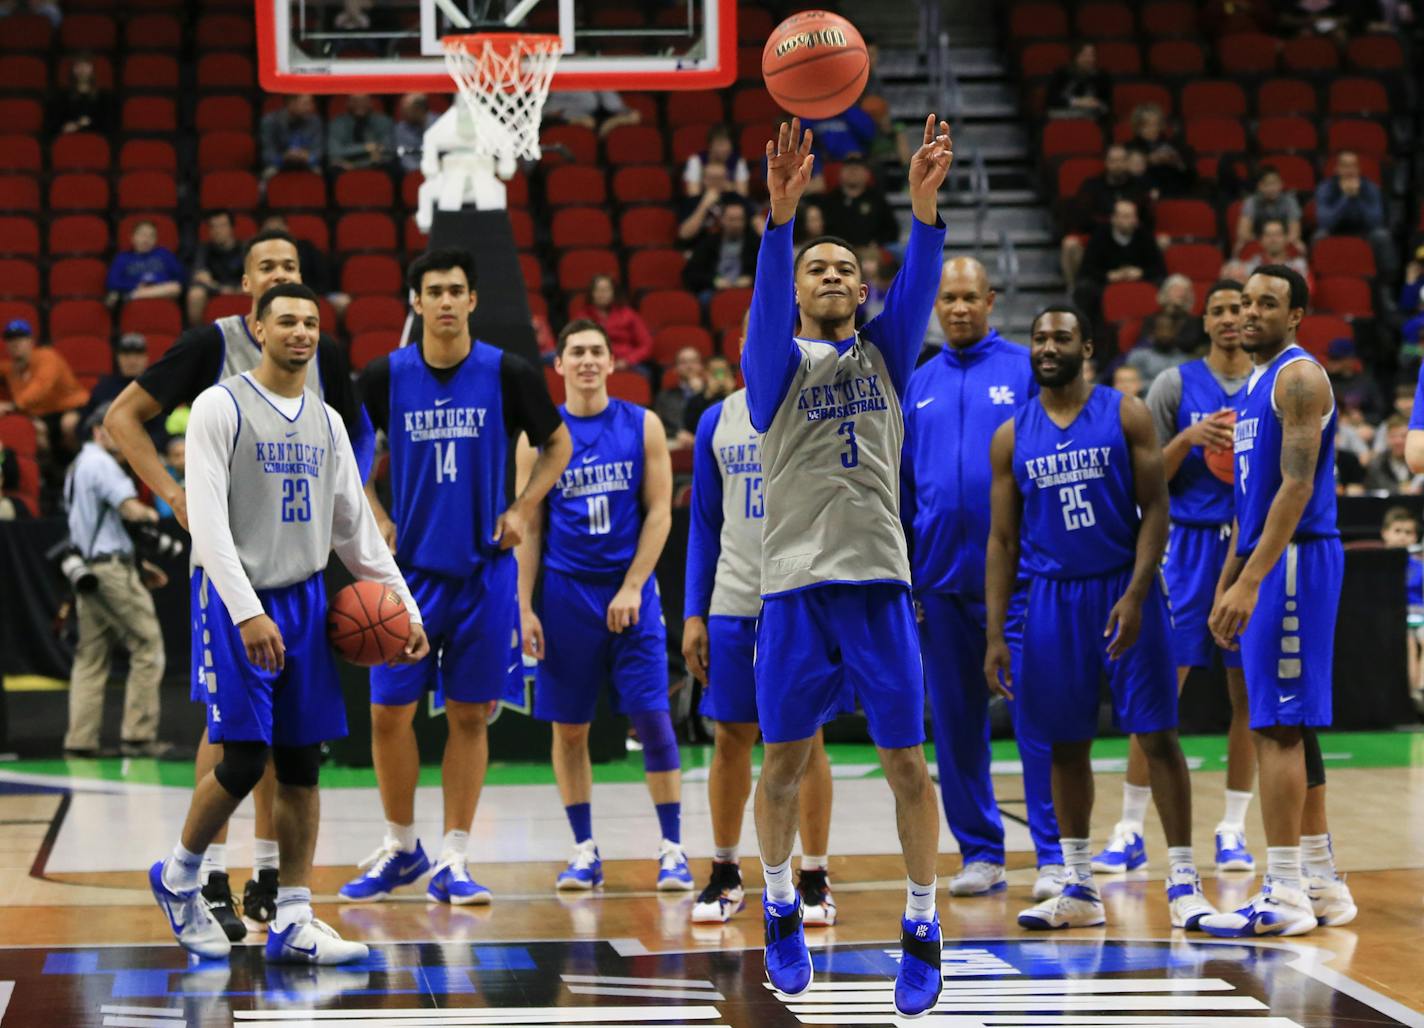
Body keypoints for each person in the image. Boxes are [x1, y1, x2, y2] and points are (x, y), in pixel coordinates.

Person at [105, 227, 373, 939]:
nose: (281, 275)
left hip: (303, 567)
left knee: (294, 751)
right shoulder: (208, 348)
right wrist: (173, 493)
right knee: (232, 738)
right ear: (248, 293)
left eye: (292, 267)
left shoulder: (322, 356)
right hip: (231, 575)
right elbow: (121, 418)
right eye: (267, 269)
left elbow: (356, 437)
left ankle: (272, 886)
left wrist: (354, 511)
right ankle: (207, 875)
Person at [147, 283, 426, 963]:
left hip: (303, 602)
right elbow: (207, 522)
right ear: (258, 327)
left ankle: (295, 918)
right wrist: (245, 612)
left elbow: (355, 532)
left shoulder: (328, 421)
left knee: (302, 765)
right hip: (235, 595)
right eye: (287, 321)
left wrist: (404, 608)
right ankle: (179, 875)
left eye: (310, 322)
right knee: (243, 758)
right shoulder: (221, 406)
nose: (300, 332)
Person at [744, 115, 949, 1017]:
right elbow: (761, 311)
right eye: (814, 268)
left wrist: (925, 210)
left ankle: (921, 919)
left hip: (877, 587)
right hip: (792, 591)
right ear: (795, 292)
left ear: (863, 292)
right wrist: (779, 218)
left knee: (909, 766)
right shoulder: (772, 366)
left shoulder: (888, 354)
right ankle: (782, 904)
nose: (831, 276)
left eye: (844, 269)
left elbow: (921, 282)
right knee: (781, 762)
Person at [341, 249, 572, 904]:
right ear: (415, 304)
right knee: (390, 714)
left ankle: (455, 856)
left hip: (483, 572)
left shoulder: (509, 373)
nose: (445, 301)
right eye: (433, 291)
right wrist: (376, 513)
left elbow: (557, 443)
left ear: (473, 301)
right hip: (406, 577)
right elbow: (347, 457)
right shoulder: (383, 376)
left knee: (471, 715)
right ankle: (400, 846)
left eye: (456, 291)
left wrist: (525, 507)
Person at [985, 305, 1215, 932]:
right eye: (1038, 337)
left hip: (1120, 589)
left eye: (1061, 336)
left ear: (1087, 346)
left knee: (1158, 734)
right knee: (1064, 743)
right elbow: (1002, 543)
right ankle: (1079, 885)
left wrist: (1138, 593)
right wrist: (996, 636)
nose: (1047, 346)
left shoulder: (1125, 412)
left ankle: (1185, 882)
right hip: (1050, 599)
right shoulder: (1011, 435)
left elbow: (1157, 509)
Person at [902, 257, 1065, 902]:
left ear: (991, 300)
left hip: (1021, 581)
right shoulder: (917, 383)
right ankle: (981, 852)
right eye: (948, 299)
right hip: (940, 583)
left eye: (970, 297)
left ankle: (1055, 851)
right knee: (956, 723)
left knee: (1040, 717)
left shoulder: (1025, 371)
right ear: (935, 306)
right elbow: (906, 486)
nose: (959, 308)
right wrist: (911, 578)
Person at [1202, 265, 1355, 937]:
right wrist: (1226, 576)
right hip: (1270, 558)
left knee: (1278, 726)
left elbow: (1294, 491)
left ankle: (1286, 889)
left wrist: (1251, 579)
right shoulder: (1257, 383)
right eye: (1242, 303)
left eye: (1268, 304)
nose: (1248, 313)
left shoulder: (1298, 376)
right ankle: (1323, 883)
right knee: (1286, 720)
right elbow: (1252, 499)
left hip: (1295, 559)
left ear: (1295, 316)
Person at [515, 320, 685, 892]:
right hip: (566, 594)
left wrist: (634, 586)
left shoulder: (643, 425)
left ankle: (672, 848)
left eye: (597, 352)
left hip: (628, 587)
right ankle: (584, 850)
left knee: (653, 720)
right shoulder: (538, 439)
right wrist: (524, 607)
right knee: (569, 730)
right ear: (558, 366)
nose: (587, 361)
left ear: (614, 363)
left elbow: (659, 513)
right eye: (576, 353)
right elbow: (529, 529)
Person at [1097, 280, 1259, 876]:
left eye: (1238, 308)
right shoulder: (1174, 384)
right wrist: (1189, 440)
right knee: (1160, 691)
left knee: (1249, 697)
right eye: (1218, 309)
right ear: (1205, 319)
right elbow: (1145, 481)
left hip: (1247, 551)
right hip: (1186, 547)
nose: (1229, 318)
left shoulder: (1271, 383)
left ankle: (1233, 828)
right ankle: (1129, 828)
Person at [683, 385, 839, 926]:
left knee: (806, 737)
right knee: (730, 738)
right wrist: (693, 613)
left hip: (801, 597)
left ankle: (814, 877)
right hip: (733, 600)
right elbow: (704, 522)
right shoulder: (716, 419)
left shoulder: (818, 402)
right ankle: (725, 872)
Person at [62, 403, 167, 758]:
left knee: (90, 657)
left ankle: (80, 740)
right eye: (118, 432)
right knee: (148, 647)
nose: (124, 440)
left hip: (89, 568)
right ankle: (138, 737)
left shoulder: (77, 467)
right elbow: (129, 510)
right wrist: (159, 510)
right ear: (98, 432)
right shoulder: (104, 465)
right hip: (110, 571)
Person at [1073, 199, 1166, 345]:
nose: (1130, 221)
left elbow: (1159, 268)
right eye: (1125, 216)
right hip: (1105, 282)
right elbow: (1087, 269)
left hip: (1139, 281)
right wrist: (1108, 275)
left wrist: (1141, 273)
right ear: (1114, 219)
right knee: (1085, 289)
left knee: (1162, 285)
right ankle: (1089, 339)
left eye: (1132, 216)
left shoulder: (1144, 235)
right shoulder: (1100, 235)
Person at [1061, 144, 1153, 290]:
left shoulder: (1138, 186)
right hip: (1097, 236)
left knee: (1159, 242)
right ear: (1106, 162)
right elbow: (1081, 218)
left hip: (1131, 235)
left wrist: (1127, 225)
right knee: (1070, 244)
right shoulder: (1092, 186)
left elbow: (1147, 218)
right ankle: (1076, 290)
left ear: (1127, 162)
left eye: (1121, 160)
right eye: (1113, 160)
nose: (1117, 165)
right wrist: (1111, 224)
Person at [1, 319, 89, 454]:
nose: (15, 343)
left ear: (31, 341)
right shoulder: (10, 368)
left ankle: (81, 461)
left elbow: (41, 387)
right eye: (11, 339)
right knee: (30, 429)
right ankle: (49, 469)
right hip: (42, 415)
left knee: (69, 424)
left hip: (71, 407)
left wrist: (11, 406)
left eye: (20, 338)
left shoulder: (46, 356)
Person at [1314, 150, 1397, 283]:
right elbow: (1325, 222)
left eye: (1353, 166)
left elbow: (1376, 221)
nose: (1349, 170)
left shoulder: (1371, 188)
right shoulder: (1326, 188)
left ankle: (1385, 286)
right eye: (1345, 166)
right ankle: (1317, 282)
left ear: (1358, 169)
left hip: (1365, 230)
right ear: (1337, 169)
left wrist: (1357, 197)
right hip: (1334, 231)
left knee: (1382, 236)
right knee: (1319, 236)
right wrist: (1346, 198)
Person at [1380, 507, 1424, 713]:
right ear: (1385, 533)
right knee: (1407, 643)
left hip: (1420, 618)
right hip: (1393, 620)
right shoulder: (1375, 567)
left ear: (1415, 536)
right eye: (1398, 531)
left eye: (1408, 533)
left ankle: (1421, 690)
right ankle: (1411, 694)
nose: (1403, 537)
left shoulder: (1420, 565)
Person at [819, 155, 901, 250]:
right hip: (836, 250)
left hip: (870, 251)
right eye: (849, 169)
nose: (852, 172)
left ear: (867, 174)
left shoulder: (877, 200)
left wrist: (877, 243)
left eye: (857, 169)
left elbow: (892, 230)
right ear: (840, 174)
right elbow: (821, 230)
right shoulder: (829, 201)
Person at [684, 202, 758, 301]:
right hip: (714, 290)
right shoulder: (709, 242)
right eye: (731, 219)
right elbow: (691, 273)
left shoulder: (755, 243)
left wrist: (751, 279)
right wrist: (714, 281)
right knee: (704, 299)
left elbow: (768, 272)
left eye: (739, 219)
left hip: (747, 289)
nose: (736, 224)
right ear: (722, 220)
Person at [105, 220, 185, 311]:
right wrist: (135, 285)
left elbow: (180, 277)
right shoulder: (122, 257)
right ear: (132, 237)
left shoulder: (164, 254)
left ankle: (134, 295)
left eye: (152, 236)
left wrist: (156, 285)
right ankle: (138, 295)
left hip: (162, 293)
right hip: (140, 291)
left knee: (175, 287)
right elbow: (112, 282)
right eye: (142, 235)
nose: (146, 240)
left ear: (156, 240)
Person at [580, 275, 654, 373]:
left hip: (627, 363)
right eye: (598, 290)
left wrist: (627, 361)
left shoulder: (628, 314)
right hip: (594, 364)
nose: (602, 294)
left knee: (644, 374)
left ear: (613, 293)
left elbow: (646, 344)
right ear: (591, 294)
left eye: (606, 290)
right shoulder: (582, 317)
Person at [186, 211, 246, 327]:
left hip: (241, 289)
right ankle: (199, 335)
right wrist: (220, 289)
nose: (217, 230)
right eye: (213, 227)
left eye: (222, 226)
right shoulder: (204, 250)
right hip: (214, 291)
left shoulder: (244, 248)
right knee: (195, 294)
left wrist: (236, 289)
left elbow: (254, 276)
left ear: (231, 228)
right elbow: (200, 277)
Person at [1124, 103, 1194, 198]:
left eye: (1155, 124)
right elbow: (1124, 178)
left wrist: (1178, 163)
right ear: (1137, 128)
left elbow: (1192, 177)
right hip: (1143, 195)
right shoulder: (1129, 148)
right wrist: (1147, 161)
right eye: (1146, 125)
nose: (1152, 129)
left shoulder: (1176, 145)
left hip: (1174, 193)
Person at [1234, 167, 1302, 257]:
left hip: (1282, 240)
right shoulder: (1251, 201)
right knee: (1239, 245)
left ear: (1281, 184)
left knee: (1300, 246)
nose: (1271, 188)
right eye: (1267, 184)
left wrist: (1277, 241)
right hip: (1259, 239)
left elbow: (1294, 233)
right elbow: (1243, 232)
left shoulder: (1290, 201)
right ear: (1260, 186)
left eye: (1274, 183)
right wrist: (1266, 241)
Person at [677, 163, 748, 244]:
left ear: (726, 180)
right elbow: (684, 234)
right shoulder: (692, 202)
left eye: (719, 178)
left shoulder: (736, 200)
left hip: (732, 246)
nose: (715, 182)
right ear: (704, 180)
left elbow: (756, 226)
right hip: (698, 247)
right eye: (712, 178)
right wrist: (704, 206)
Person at [47, 52, 112, 137]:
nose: (82, 69)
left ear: (93, 69)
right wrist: (64, 128)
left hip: (95, 143)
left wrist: (81, 125)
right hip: (68, 141)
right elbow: (52, 125)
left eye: (86, 65)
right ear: (73, 70)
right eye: (78, 66)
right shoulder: (61, 97)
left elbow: (109, 126)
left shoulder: (105, 97)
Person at [1124, 309, 1189, 391]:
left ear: (1176, 332)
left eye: (1170, 329)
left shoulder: (1184, 361)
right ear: (1153, 332)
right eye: (1160, 328)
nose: (1165, 333)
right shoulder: (1138, 356)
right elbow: (1127, 385)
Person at [260, 94, 324, 178]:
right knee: (268, 173)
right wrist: (284, 157)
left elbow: (318, 152)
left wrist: (307, 157)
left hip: (306, 163)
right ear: (291, 104)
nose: (311, 107)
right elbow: (267, 154)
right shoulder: (270, 122)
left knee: (319, 173)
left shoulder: (315, 122)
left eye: (311, 103)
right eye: (305, 104)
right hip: (279, 164)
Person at [327, 93, 395, 171]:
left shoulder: (383, 121)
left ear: (371, 103)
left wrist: (358, 165)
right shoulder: (337, 124)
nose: (360, 104)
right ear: (348, 103)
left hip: (375, 164)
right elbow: (335, 151)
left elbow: (388, 149)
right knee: (334, 169)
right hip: (345, 164)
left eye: (364, 101)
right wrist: (367, 147)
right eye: (355, 101)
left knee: (392, 167)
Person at [654, 345, 704, 446]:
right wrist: (676, 434)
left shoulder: (712, 394)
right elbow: (657, 425)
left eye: (693, 361)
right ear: (676, 368)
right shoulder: (665, 396)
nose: (689, 366)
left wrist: (700, 393)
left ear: (701, 366)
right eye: (683, 362)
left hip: (706, 439)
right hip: (676, 440)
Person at [1045, 43, 1110, 119]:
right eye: (1084, 55)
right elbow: (1051, 100)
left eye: (1092, 55)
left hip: (1090, 119)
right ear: (1075, 57)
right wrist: (1077, 102)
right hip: (1061, 118)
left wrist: (1097, 104)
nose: (1089, 59)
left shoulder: (1102, 77)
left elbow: (1107, 105)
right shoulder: (1061, 74)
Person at [683, 124, 750, 197]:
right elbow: (693, 193)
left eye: (727, 145)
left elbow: (743, 194)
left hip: (732, 202)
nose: (724, 149)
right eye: (720, 144)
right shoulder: (696, 160)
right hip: (703, 201)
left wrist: (724, 186)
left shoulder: (738, 161)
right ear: (710, 145)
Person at [541, 91, 640, 138]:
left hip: (594, 136)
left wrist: (613, 122)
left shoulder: (606, 97)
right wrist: (573, 120)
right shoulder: (559, 94)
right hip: (558, 126)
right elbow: (546, 115)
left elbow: (634, 116)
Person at [1365, 414, 1420, 494]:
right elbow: (1376, 489)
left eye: (1403, 436)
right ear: (1386, 438)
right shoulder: (1377, 463)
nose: (1398, 441)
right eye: (1393, 436)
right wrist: (1399, 490)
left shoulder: (1420, 461)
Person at [394, 93, 434, 173]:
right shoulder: (401, 128)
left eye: (407, 110)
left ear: (419, 110)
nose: (403, 114)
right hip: (414, 172)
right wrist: (421, 171)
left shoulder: (439, 124)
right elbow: (405, 158)